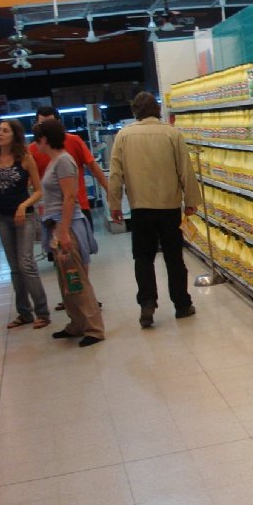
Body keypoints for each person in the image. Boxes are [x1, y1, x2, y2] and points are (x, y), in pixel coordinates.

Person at [108, 91, 201, 328]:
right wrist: (191, 200)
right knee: (174, 257)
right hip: (169, 207)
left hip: (140, 208)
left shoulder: (123, 136)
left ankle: (147, 305)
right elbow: (185, 170)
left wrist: (114, 205)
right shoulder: (172, 134)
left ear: (135, 111)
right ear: (157, 110)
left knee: (143, 258)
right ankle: (182, 304)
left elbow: (115, 174)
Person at [32, 119, 104, 347]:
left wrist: (63, 231)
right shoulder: (55, 161)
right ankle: (77, 323)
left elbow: (70, 197)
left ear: (45, 139)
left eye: (37, 139)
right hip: (57, 225)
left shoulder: (63, 161)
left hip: (68, 226)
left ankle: (94, 328)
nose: (35, 144)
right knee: (66, 279)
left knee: (76, 277)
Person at [0, 119, 50, 329]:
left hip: (24, 217)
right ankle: (24, 313)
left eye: (5, 131)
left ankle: (42, 312)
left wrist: (23, 205)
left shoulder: (26, 159)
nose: (0, 133)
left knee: (26, 264)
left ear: (15, 136)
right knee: (14, 267)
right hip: (2, 217)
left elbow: (38, 191)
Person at [29, 106, 108, 230]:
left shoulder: (73, 141)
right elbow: (30, 179)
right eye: (42, 124)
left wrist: (108, 190)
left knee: (80, 241)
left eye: (50, 123)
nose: (46, 128)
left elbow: (93, 166)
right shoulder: (34, 149)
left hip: (78, 206)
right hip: (51, 211)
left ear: (58, 123)